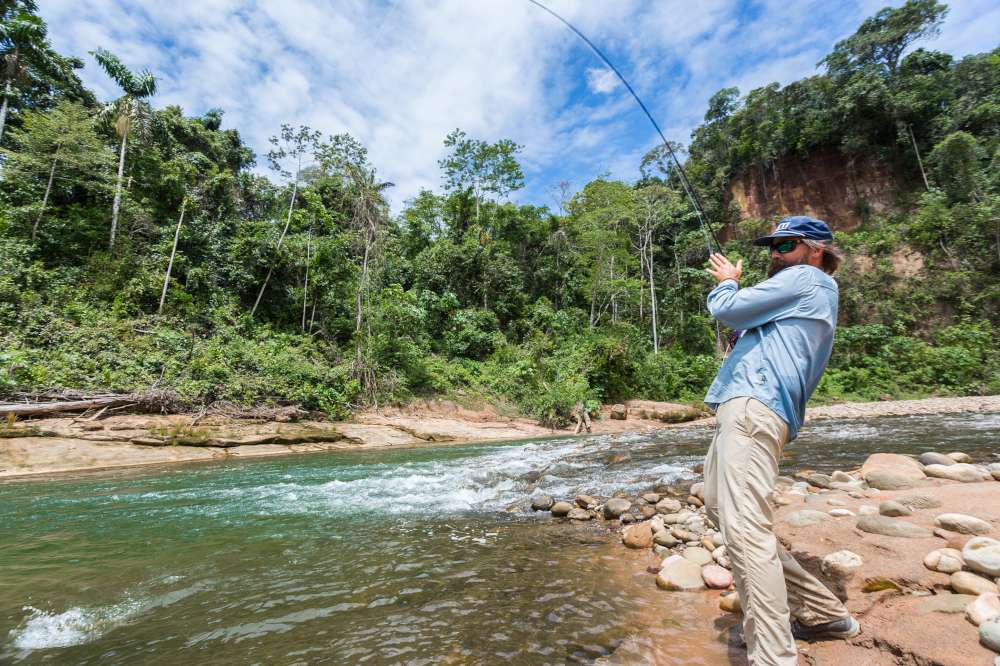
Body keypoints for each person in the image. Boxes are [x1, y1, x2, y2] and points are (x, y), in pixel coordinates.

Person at [701, 215, 857, 665]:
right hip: (752, 407)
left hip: (754, 406)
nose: (775, 252)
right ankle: (825, 612)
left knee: (744, 530)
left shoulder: (807, 278)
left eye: (785, 244)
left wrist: (729, 283)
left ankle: (773, 656)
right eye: (772, 244)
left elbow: (727, 308)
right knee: (718, 505)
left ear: (816, 250)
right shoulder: (804, 291)